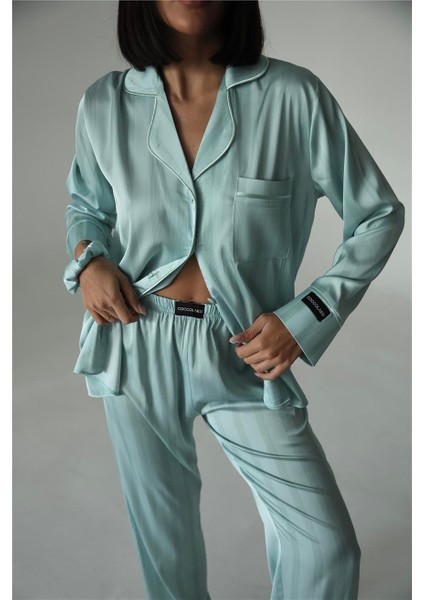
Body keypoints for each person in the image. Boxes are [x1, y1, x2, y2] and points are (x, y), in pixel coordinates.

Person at [62, 1, 405, 598]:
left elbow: (378, 215)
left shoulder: (294, 96)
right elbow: (87, 206)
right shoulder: (104, 103)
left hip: (245, 345)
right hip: (136, 339)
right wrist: (89, 260)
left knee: (325, 546)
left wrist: (307, 317)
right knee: (165, 545)